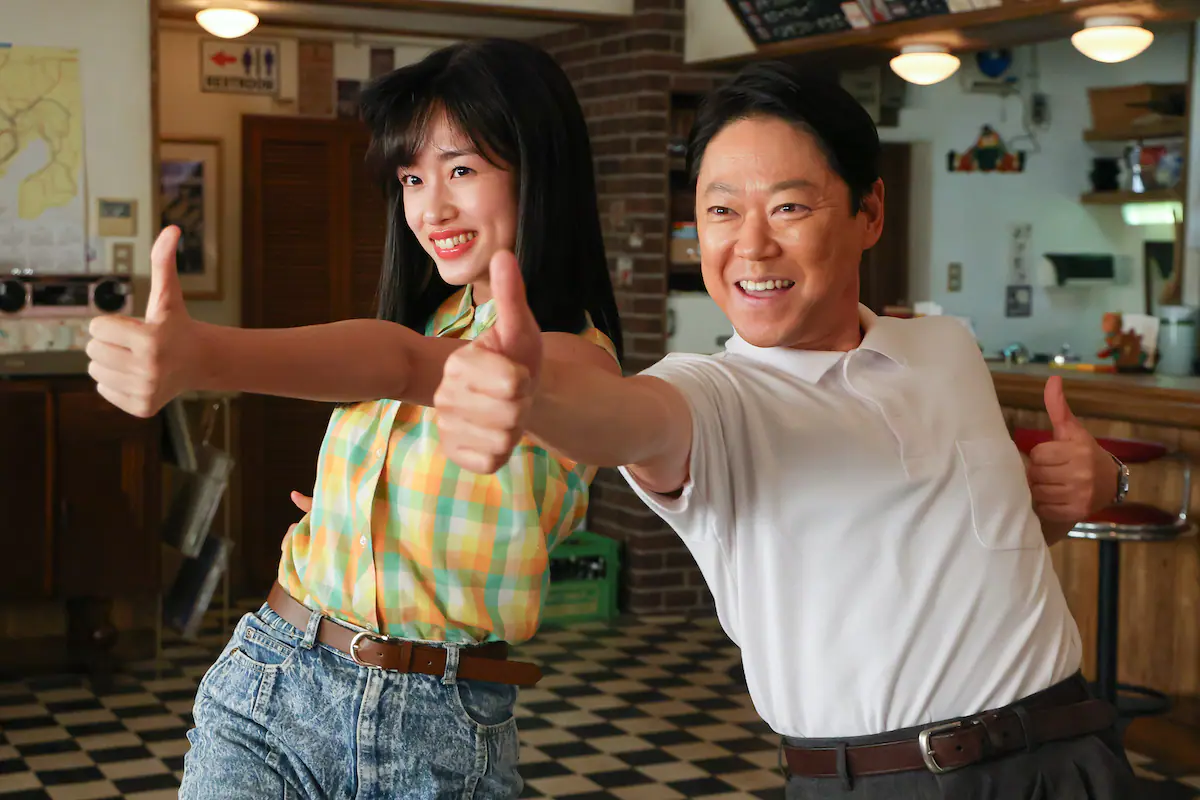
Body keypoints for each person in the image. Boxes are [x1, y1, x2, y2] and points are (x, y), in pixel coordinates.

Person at [430, 62, 1137, 799]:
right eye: (721, 211)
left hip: (1073, 754)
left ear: (870, 212)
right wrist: (536, 398)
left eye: (789, 207)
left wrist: (1097, 483)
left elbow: (975, 547)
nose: (753, 246)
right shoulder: (711, 394)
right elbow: (623, 417)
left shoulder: (945, 348)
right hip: (883, 783)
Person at [86, 39, 622, 799]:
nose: (430, 209)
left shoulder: (576, 360)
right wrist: (355, 516)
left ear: (540, 170)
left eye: (461, 169)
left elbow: (399, 363)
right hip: (276, 678)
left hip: (434, 729)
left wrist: (206, 356)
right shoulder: (433, 315)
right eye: (412, 178)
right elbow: (401, 362)